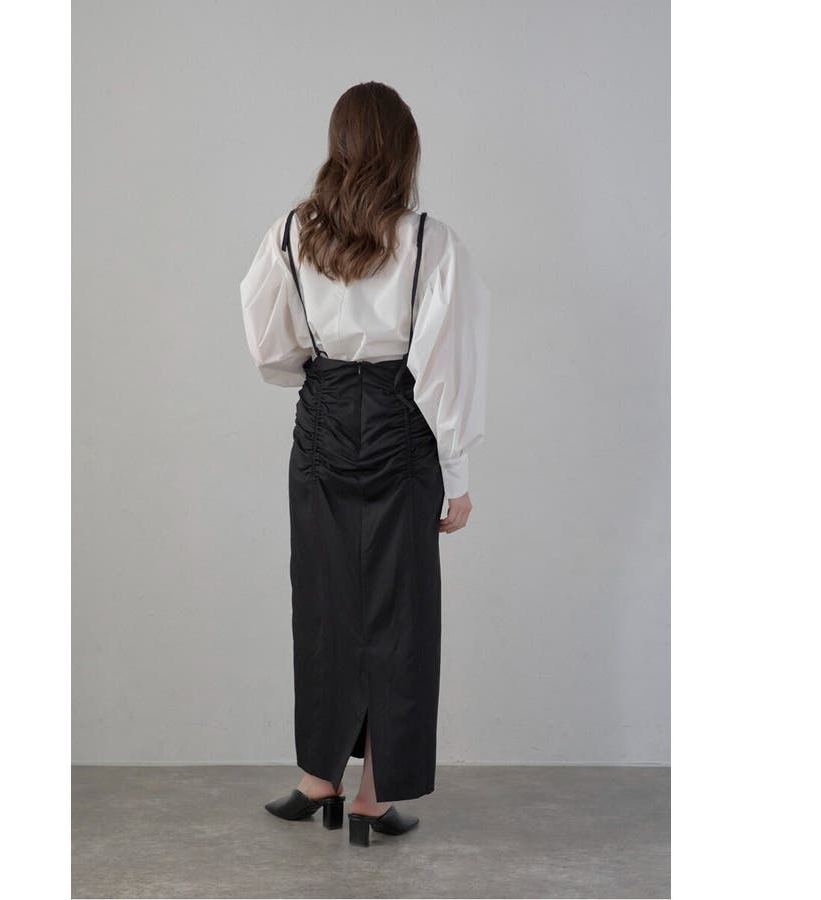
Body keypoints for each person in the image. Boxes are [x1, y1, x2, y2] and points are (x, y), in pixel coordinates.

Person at [239, 81, 491, 846]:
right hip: (401, 427)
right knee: (400, 614)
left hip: (321, 425)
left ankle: (319, 779)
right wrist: (458, 476)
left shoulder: (293, 233)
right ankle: (372, 797)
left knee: (323, 604)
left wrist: (319, 375)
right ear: (405, 151)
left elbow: (270, 350)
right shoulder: (430, 243)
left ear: (337, 146)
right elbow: (446, 369)